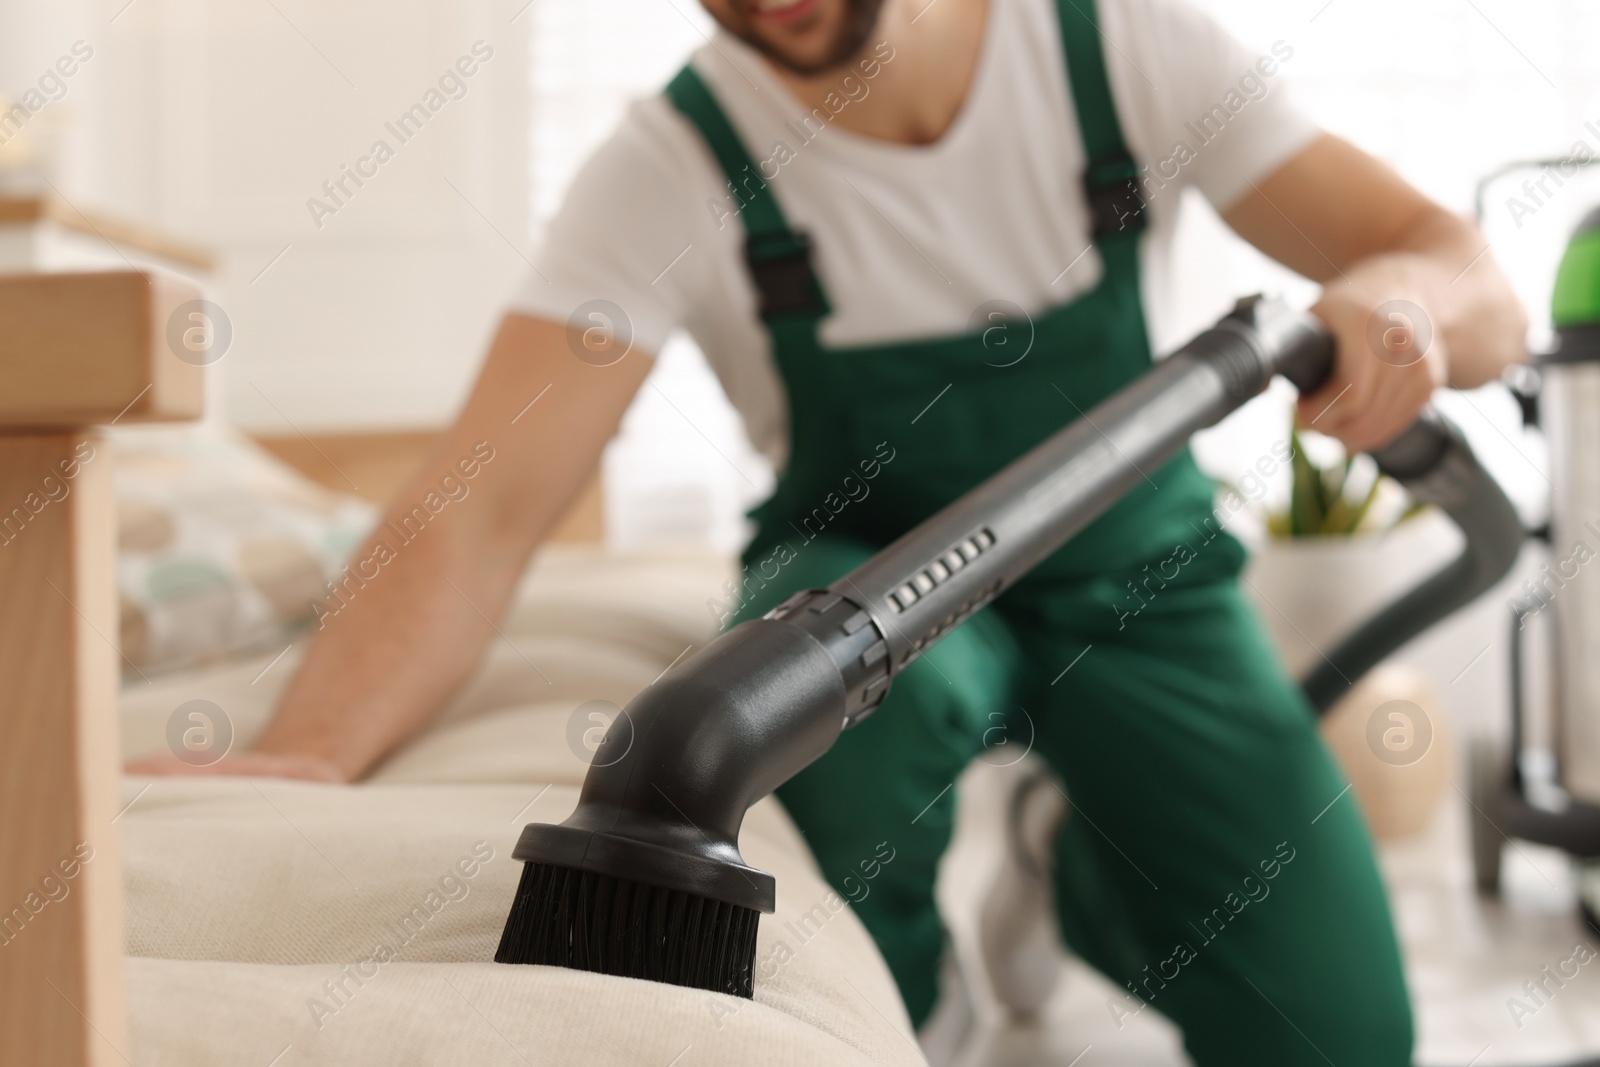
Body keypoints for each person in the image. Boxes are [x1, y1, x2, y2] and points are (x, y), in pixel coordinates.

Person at [132, 0, 1529, 1061]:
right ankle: (906, 1012)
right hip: (861, 576)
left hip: (1134, 571)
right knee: (859, 699)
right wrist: (309, 747)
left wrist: (1402, 304)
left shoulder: (1117, 47)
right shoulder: (677, 158)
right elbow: (484, 504)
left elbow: (1473, 284)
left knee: (1339, 1031)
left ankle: (1081, 874)